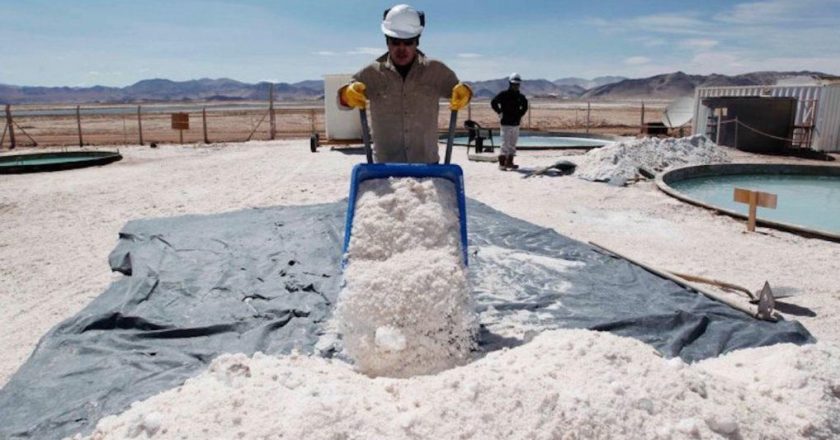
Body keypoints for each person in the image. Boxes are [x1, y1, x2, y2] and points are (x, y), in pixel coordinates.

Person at [337, 4, 472, 163]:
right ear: (387, 41)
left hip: (427, 167)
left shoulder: (437, 71)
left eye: (408, 42)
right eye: (395, 42)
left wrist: (466, 93)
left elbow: (461, 92)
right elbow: (342, 103)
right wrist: (346, 95)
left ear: (417, 42)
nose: (402, 49)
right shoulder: (371, 73)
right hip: (385, 169)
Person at [491, 73, 529, 170]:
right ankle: (502, 163)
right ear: (510, 83)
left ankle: (510, 162)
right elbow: (493, 102)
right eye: (514, 84)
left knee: (513, 144)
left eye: (517, 84)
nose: (515, 86)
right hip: (506, 123)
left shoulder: (521, 97)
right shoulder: (503, 95)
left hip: (516, 124)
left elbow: (525, 106)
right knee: (505, 144)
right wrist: (499, 112)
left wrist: (520, 114)